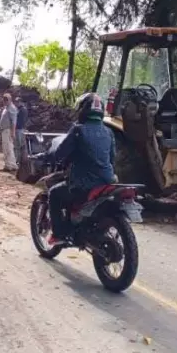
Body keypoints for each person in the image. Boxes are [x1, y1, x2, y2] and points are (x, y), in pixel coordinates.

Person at [47, 93, 116, 243]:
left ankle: (58, 234)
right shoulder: (109, 132)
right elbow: (112, 158)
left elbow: (60, 153)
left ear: (83, 111)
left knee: (54, 193)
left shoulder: (78, 130)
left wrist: (47, 156)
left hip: (83, 184)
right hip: (106, 182)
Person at [0, 93, 18, 172]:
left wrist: (13, 132)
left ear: (10, 100)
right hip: (5, 130)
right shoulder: (6, 108)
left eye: (6, 99)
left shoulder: (11, 108)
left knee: (8, 148)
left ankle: (8, 166)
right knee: (8, 147)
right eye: (4, 99)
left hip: (8, 130)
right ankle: (12, 165)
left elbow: (13, 122)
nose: (5, 101)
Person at [14, 97, 28, 166]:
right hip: (19, 129)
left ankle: (18, 161)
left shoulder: (22, 110)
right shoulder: (19, 109)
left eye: (17, 102)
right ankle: (19, 160)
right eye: (16, 102)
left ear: (20, 102)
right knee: (19, 145)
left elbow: (22, 120)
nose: (16, 103)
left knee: (18, 145)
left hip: (19, 129)